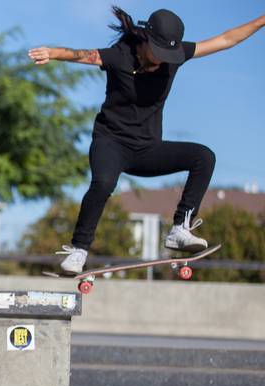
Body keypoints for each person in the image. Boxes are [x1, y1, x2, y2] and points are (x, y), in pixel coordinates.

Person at [28, 7, 264, 274]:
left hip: (147, 150)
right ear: (145, 40)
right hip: (111, 143)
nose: (161, 61)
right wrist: (52, 53)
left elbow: (226, 40)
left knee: (204, 157)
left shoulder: (176, 57)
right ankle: (79, 250)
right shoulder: (119, 56)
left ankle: (179, 229)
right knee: (104, 183)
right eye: (158, 54)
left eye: (167, 56)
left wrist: (262, 20)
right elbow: (82, 55)